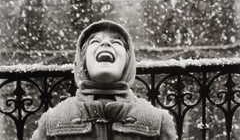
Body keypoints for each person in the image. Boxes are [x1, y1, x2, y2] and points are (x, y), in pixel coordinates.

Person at [31, 20, 176, 139]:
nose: (105, 43)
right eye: (94, 41)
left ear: (128, 61)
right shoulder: (52, 121)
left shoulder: (158, 121)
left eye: (117, 42)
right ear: (82, 60)